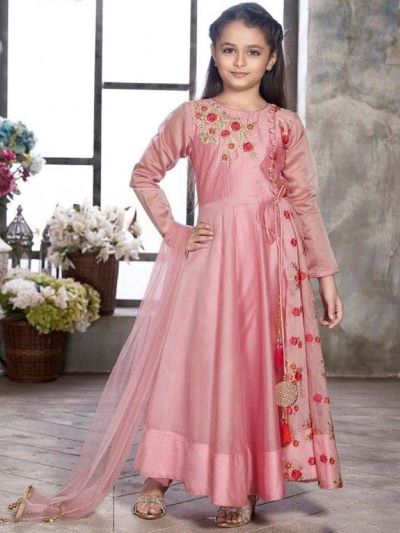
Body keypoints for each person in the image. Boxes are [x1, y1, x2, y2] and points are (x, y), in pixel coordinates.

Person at [0, 2, 344, 529]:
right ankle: (157, 474)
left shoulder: (284, 126)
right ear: (213, 52)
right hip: (212, 261)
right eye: (229, 49)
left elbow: (304, 201)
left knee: (253, 366)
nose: (240, 61)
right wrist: (176, 231)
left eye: (253, 52)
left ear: (272, 59)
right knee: (194, 361)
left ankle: (241, 483)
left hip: (274, 267)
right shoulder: (194, 116)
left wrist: (326, 277)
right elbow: (144, 173)